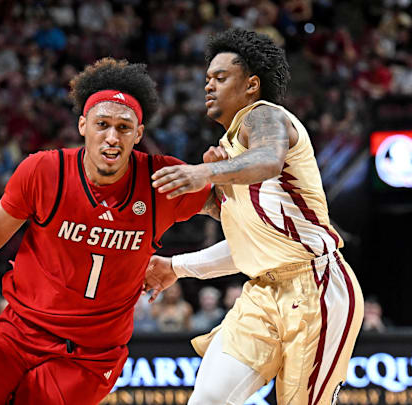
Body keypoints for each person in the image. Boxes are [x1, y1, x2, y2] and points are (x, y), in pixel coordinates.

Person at [0, 57, 216, 405]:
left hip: (90, 355)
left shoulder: (161, 181)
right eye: (102, 124)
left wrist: (221, 174)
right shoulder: (44, 170)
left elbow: (231, 209)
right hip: (17, 331)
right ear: (82, 125)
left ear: (139, 134)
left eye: (123, 127)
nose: (111, 137)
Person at [145, 28, 364, 405]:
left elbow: (268, 159)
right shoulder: (231, 153)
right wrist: (177, 264)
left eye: (220, 78)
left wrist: (204, 173)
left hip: (318, 285)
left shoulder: (264, 116)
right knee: (208, 398)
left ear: (251, 85)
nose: (208, 87)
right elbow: (249, 248)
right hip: (263, 291)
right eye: (207, 79)